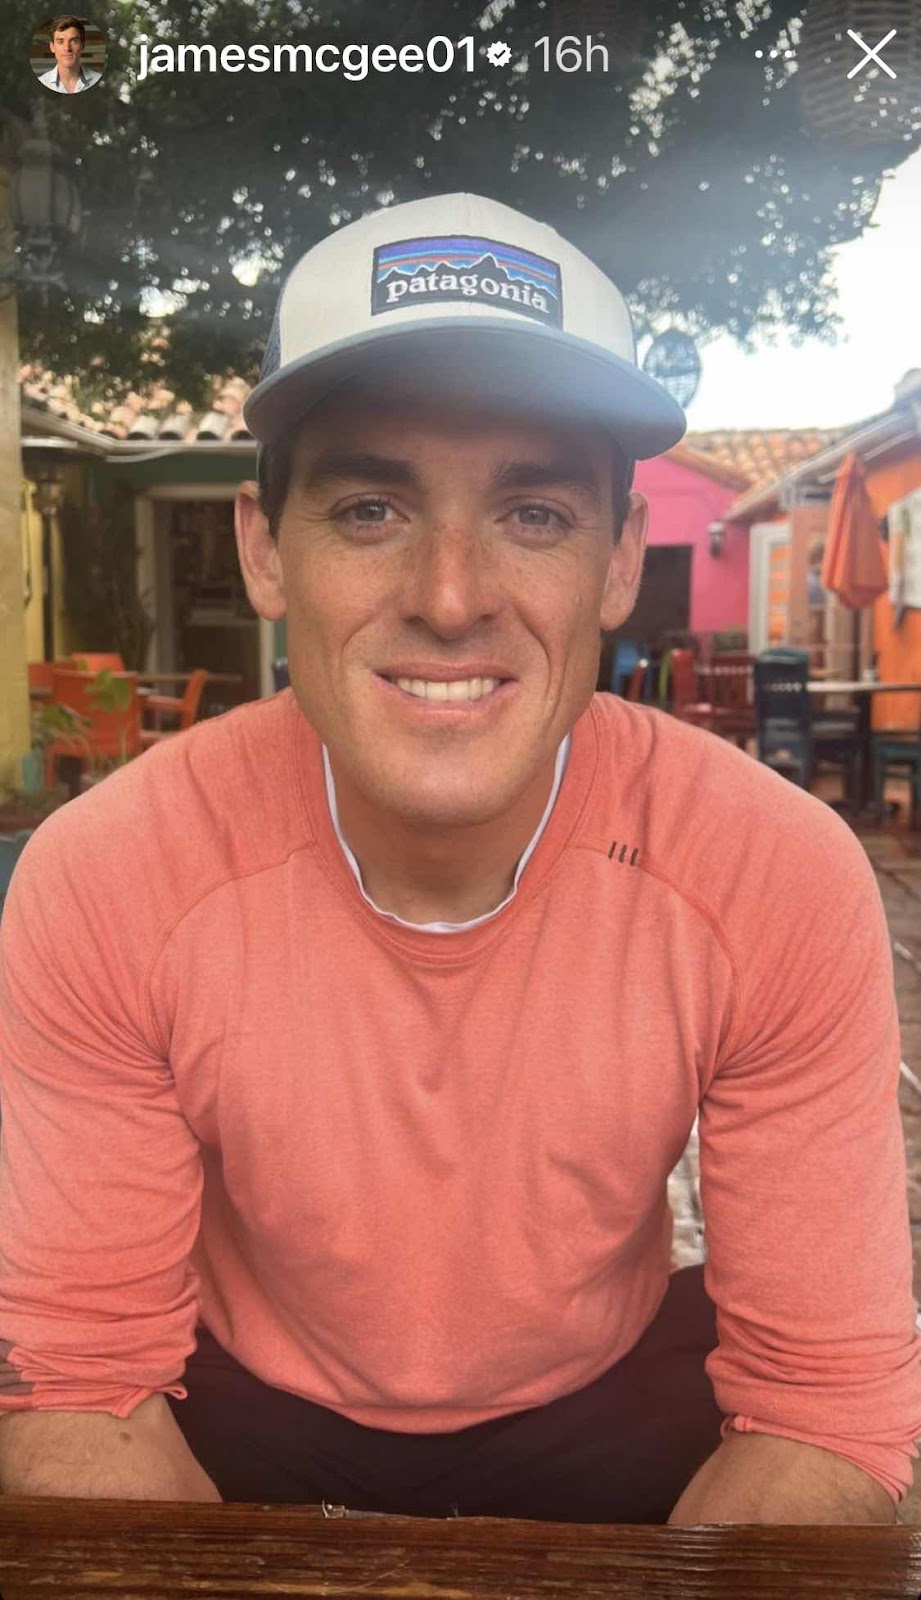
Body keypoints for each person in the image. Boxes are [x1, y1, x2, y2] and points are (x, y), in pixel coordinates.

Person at [0, 193, 920, 1527]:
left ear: (619, 560)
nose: (449, 595)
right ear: (265, 551)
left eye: (533, 514)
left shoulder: (773, 876)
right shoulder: (109, 878)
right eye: (370, 508)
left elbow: (825, 1409)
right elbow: (82, 1383)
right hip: (232, 1400)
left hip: (609, 1394)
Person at [38, 15, 102, 94]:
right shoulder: (42, 82)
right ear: (52, 47)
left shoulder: (98, 81)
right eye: (60, 42)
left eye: (74, 41)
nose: (67, 48)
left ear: (82, 45)